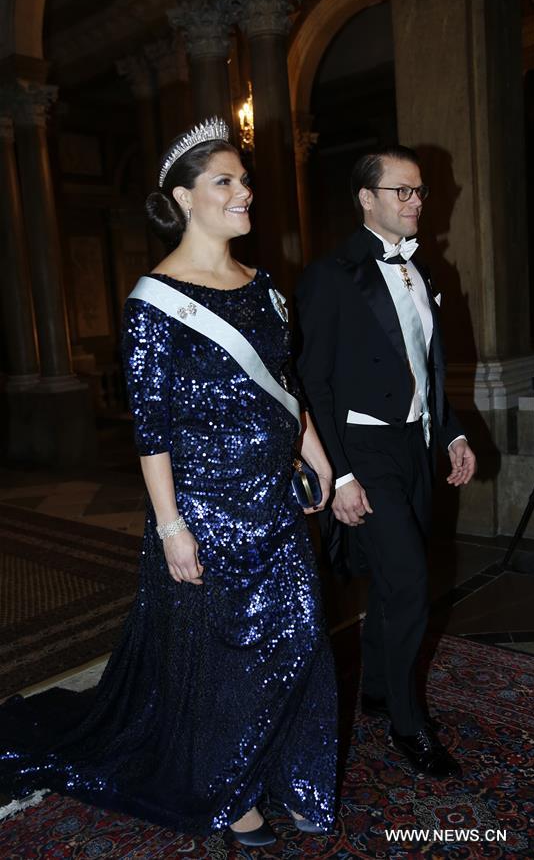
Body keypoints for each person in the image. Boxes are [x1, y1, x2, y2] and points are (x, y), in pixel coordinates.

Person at [0, 119, 337, 846]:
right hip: (205, 509)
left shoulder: (263, 285)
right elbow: (149, 426)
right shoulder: (156, 299)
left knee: (299, 633)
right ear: (184, 197)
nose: (243, 191)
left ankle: (295, 769)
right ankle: (230, 789)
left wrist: (317, 453)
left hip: (274, 499)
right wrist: (172, 526)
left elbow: (286, 382)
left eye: (243, 180)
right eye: (225, 181)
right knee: (221, 653)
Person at [295, 145, 477, 779]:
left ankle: (375, 687)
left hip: (416, 446)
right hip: (363, 450)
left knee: (393, 575)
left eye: (420, 191)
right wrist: (337, 473)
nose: (417, 202)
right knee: (409, 584)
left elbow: (428, 366)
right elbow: (310, 382)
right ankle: (408, 725)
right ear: (366, 199)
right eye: (402, 191)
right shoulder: (330, 275)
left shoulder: (425, 273)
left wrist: (451, 433)